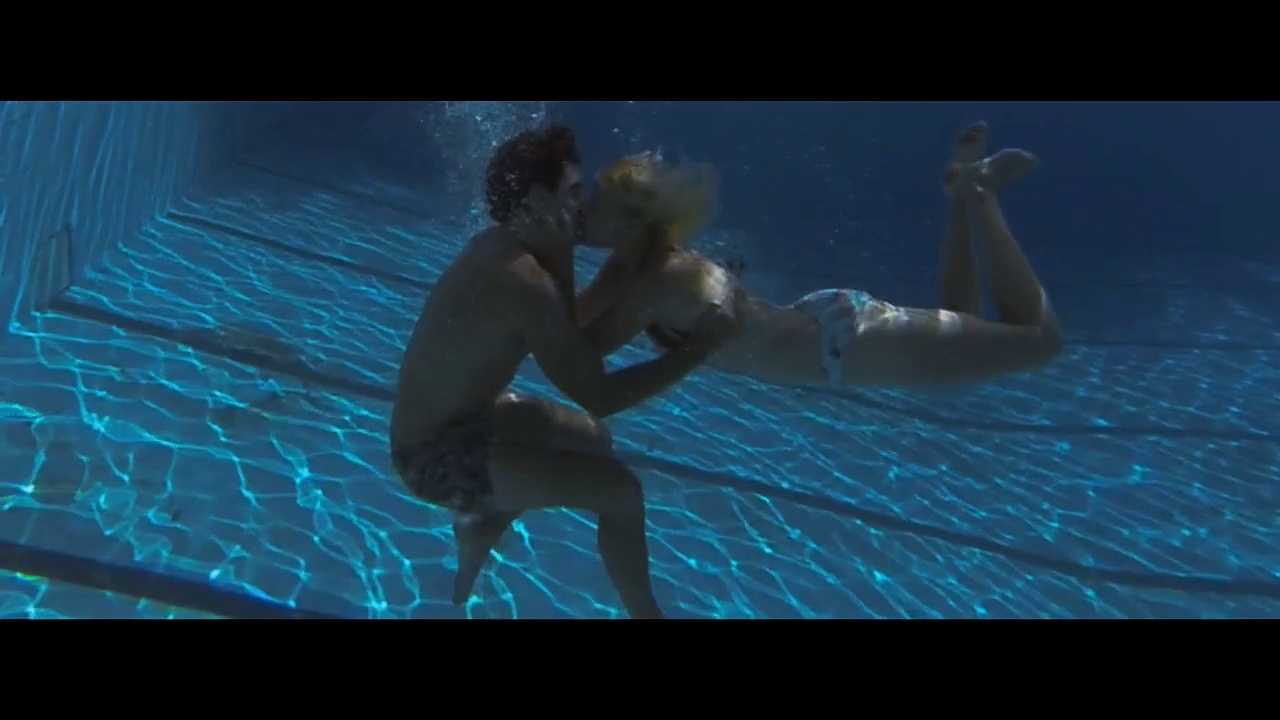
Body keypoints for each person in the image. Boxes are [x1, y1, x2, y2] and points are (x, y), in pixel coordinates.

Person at [390, 123, 739, 619]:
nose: (583, 207)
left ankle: (484, 522)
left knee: (592, 438)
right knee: (621, 493)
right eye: (575, 192)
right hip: (430, 460)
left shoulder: (506, 246)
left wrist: (598, 266)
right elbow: (599, 393)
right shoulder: (524, 279)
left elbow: (566, 335)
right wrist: (700, 348)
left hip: (465, 420)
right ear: (538, 198)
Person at [576, 121, 1064, 389]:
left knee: (1040, 341)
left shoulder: (660, 277)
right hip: (829, 332)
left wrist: (550, 250)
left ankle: (980, 191)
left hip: (848, 345)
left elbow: (577, 351)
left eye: (595, 206)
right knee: (964, 320)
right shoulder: (628, 266)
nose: (581, 211)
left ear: (631, 225)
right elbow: (567, 322)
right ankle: (960, 193)